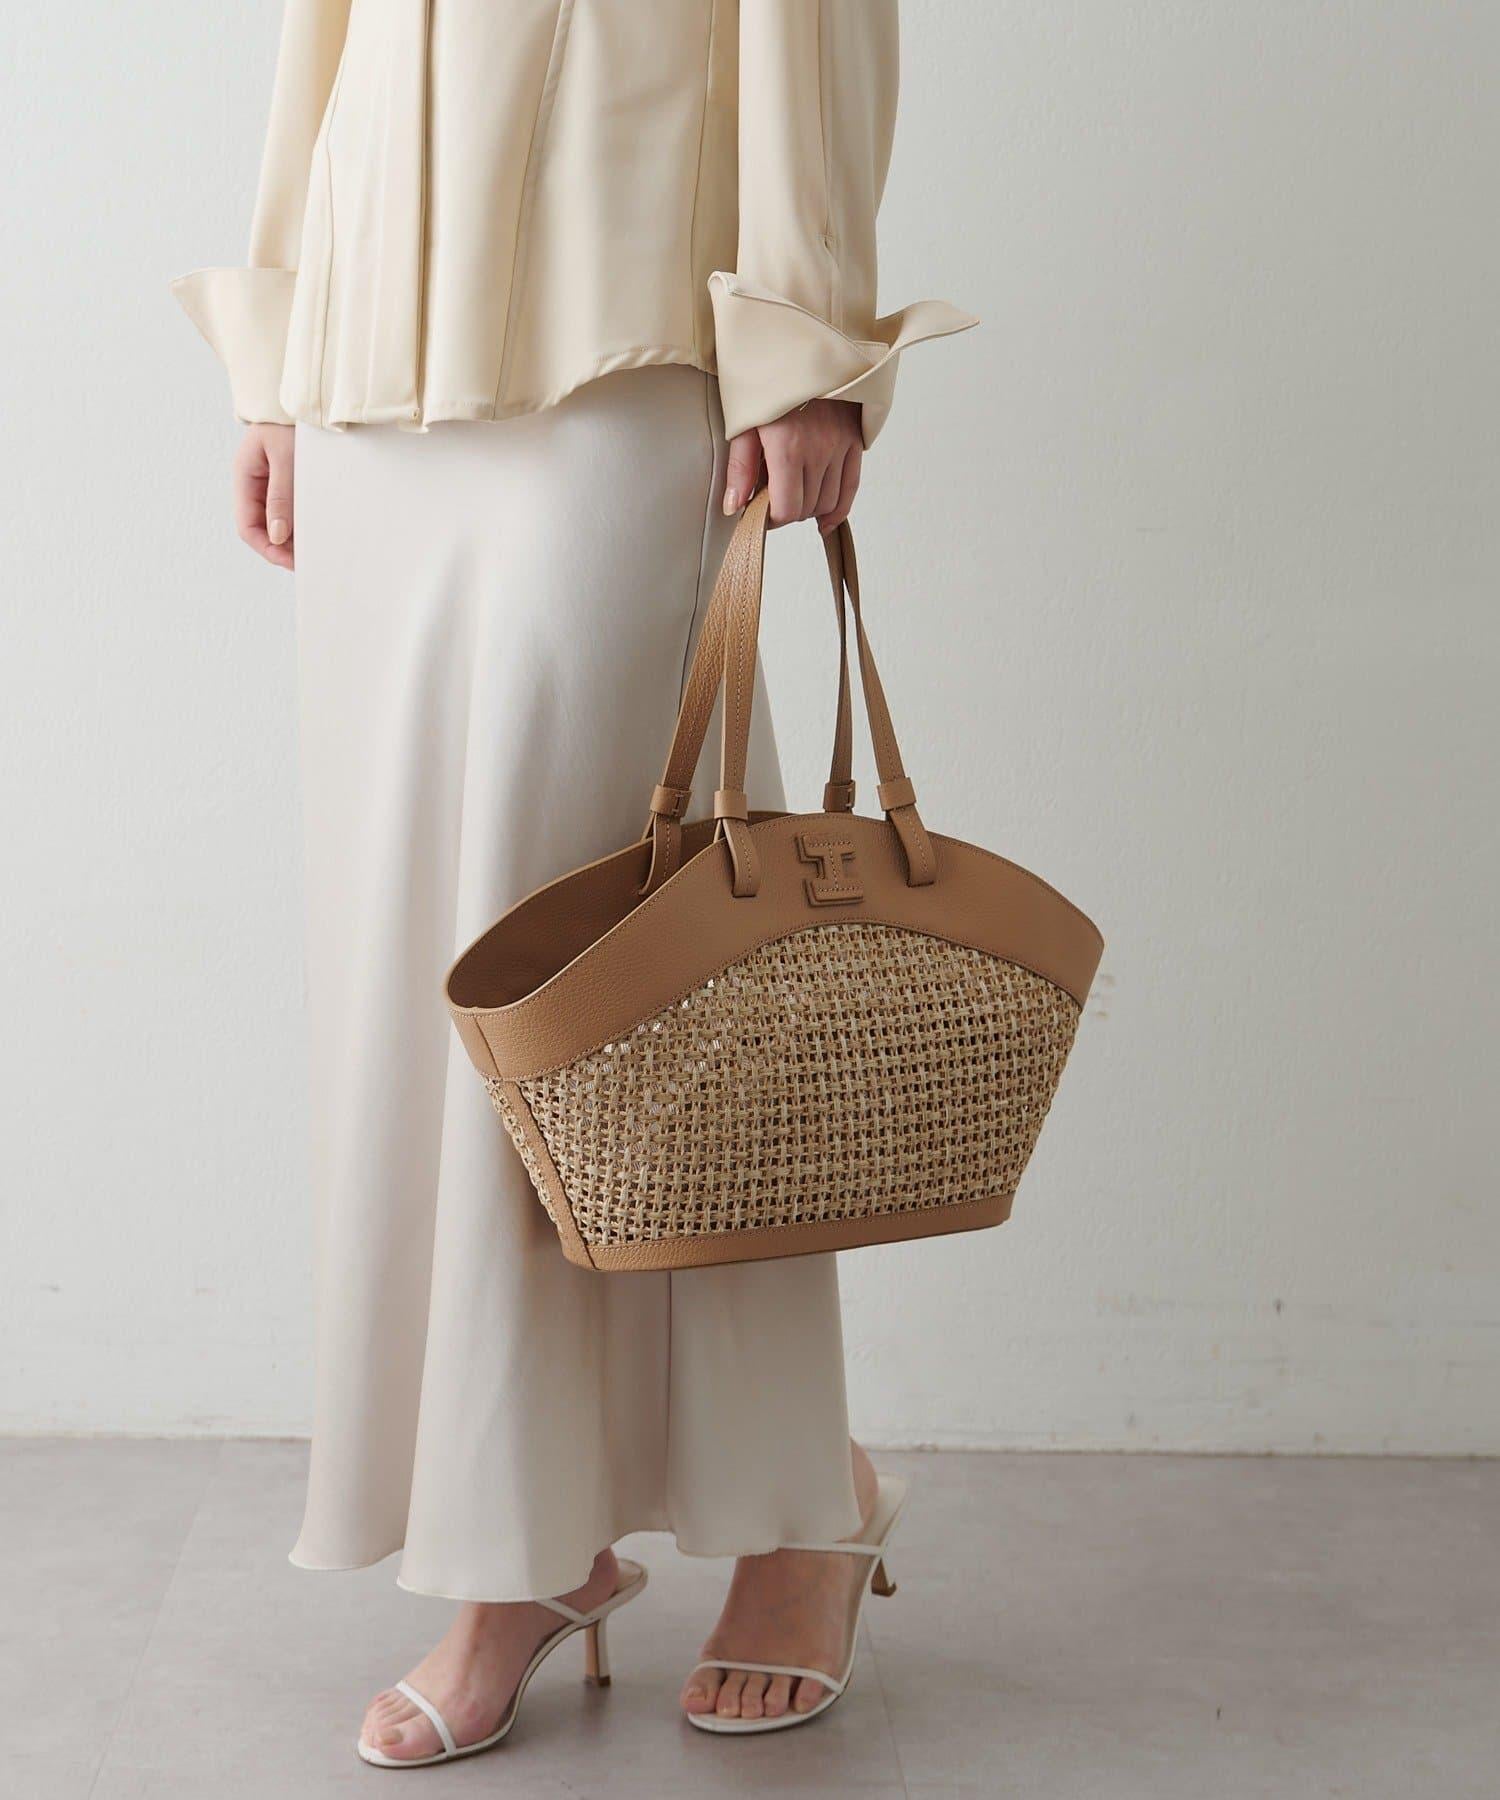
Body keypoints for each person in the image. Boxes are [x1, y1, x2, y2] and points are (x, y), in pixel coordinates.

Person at [174, 0, 971, 1761]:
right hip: (373, 364)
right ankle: (519, 1544)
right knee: (429, 956)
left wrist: (807, 342)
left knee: (636, 969)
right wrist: (280, 350)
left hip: (628, 331)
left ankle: (795, 1510)